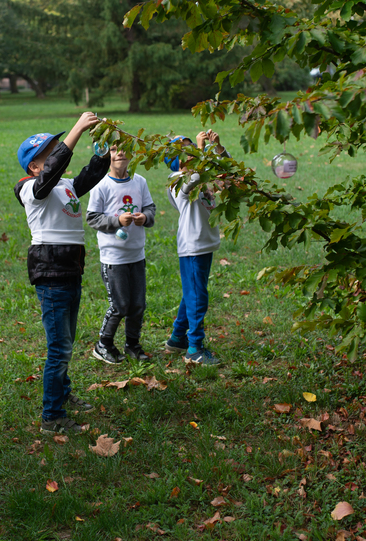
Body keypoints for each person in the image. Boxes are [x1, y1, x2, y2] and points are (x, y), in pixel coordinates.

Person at [14, 113, 108, 435]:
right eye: (49, 153)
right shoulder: (31, 191)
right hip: (51, 275)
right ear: (34, 167)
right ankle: (51, 416)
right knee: (59, 347)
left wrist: (104, 144)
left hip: (71, 272)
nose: (57, 155)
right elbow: (52, 173)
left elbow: (92, 174)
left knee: (65, 341)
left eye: (58, 148)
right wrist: (78, 128)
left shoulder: (64, 186)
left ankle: (63, 394)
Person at [86, 147, 156, 364]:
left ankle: (132, 345)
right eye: (114, 150)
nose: (120, 154)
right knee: (120, 305)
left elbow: (150, 208)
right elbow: (93, 218)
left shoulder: (139, 181)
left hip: (136, 254)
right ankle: (103, 344)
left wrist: (144, 217)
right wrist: (117, 221)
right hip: (113, 258)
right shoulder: (100, 185)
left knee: (138, 304)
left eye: (124, 149)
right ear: (107, 155)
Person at [163, 131, 226, 366]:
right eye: (184, 152)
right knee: (197, 295)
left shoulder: (202, 176)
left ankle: (178, 338)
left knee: (192, 292)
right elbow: (193, 178)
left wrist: (217, 148)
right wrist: (200, 149)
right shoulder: (177, 181)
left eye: (191, 149)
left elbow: (225, 170)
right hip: (192, 247)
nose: (190, 154)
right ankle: (194, 349)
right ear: (176, 162)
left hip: (204, 243)